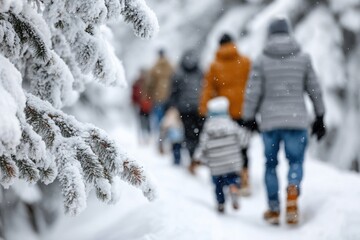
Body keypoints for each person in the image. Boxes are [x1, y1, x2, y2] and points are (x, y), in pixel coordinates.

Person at [242, 17, 326, 225]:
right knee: (295, 161)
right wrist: (320, 116)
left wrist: (248, 118)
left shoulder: (261, 60)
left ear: (270, 34)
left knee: (271, 165)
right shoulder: (303, 58)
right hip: (297, 121)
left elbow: (253, 92)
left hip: (270, 122)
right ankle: (292, 190)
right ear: (289, 33)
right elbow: (314, 89)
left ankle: (273, 209)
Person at [199, 33, 252, 194]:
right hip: (244, 110)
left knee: (227, 144)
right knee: (242, 145)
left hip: (224, 112)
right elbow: (254, 84)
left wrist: (203, 108)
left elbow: (208, 88)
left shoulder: (215, 66)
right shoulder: (245, 62)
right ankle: (244, 177)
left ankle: (229, 177)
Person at [194, 97, 250, 213]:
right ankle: (234, 187)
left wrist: (198, 158)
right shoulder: (232, 125)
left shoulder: (208, 128)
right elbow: (244, 140)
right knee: (233, 178)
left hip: (216, 165)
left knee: (218, 185)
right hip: (232, 163)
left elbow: (202, 146)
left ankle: (221, 203)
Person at [167, 49, 204, 174]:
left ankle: (185, 157)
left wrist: (172, 106)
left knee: (184, 134)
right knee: (197, 134)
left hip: (184, 109)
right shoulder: (200, 72)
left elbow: (173, 92)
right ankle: (194, 158)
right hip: (198, 109)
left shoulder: (178, 73)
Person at [148, 49, 174, 133]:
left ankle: (160, 136)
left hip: (158, 97)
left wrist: (149, 95)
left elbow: (150, 83)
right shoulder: (170, 66)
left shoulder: (155, 67)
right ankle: (168, 135)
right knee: (169, 118)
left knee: (159, 118)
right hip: (170, 97)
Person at [132, 69, 152, 143]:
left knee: (147, 122)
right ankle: (142, 137)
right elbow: (134, 95)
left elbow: (151, 95)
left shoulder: (148, 83)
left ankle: (148, 136)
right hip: (140, 106)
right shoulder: (136, 83)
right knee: (141, 122)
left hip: (147, 106)